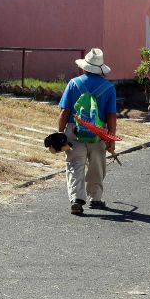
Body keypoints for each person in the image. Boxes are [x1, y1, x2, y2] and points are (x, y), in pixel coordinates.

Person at [57, 48, 117, 215]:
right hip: (98, 134)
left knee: (75, 165)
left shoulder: (73, 83)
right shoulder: (109, 88)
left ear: (84, 67)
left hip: (74, 131)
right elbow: (111, 116)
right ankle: (95, 199)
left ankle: (77, 199)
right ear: (100, 69)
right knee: (97, 165)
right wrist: (111, 138)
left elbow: (64, 112)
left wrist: (60, 133)